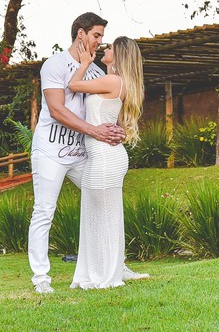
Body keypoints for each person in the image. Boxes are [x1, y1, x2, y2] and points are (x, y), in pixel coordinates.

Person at [27, 12, 125, 294]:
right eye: (96, 35)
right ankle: (41, 278)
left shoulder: (96, 72)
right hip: (51, 150)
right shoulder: (54, 65)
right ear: (81, 33)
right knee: (44, 211)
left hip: (83, 153)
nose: (100, 41)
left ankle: (115, 266)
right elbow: (57, 110)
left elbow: (106, 109)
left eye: (102, 36)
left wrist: (118, 131)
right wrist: (94, 131)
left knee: (105, 201)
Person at [67, 35, 146, 289]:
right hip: (105, 156)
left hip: (104, 158)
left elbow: (73, 85)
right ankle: (107, 270)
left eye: (110, 47)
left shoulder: (112, 80)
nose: (105, 48)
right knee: (102, 217)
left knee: (101, 218)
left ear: (119, 55)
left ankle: (106, 275)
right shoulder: (116, 81)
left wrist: (84, 63)